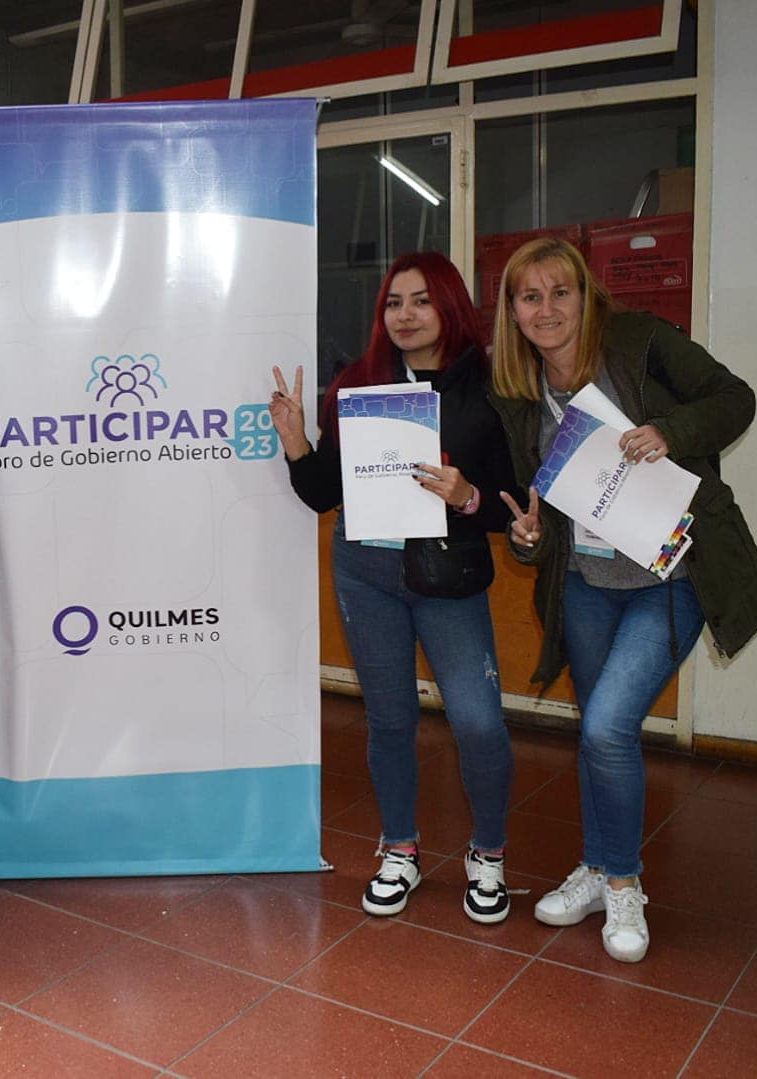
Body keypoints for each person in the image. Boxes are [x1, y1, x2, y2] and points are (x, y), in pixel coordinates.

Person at [489, 237, 757, 962]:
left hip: (668, 578)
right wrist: (527, 539)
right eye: (530, 296)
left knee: (607, 727)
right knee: (598, 732)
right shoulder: (519, 392)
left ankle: (622, 883)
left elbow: (734, 398)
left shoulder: (639, 343)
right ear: (512, 311)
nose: (547, 309)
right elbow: (540, 510)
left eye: (561, 291)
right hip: (585, 584)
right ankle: (595, 867)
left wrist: (669, 432)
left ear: (586, 296)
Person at [270, 252, 517, 923]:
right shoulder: (359, 384)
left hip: (447, 573)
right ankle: (400, 848)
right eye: (393, 303)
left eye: (421, 300)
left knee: (478, 721)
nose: (404, 316)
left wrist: (468, 497)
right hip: (365, 572)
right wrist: (294, 439)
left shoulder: (489, 389)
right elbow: (323, 492)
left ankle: (488, 853)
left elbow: (510, 500)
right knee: (389, 719)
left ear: (450, 306)